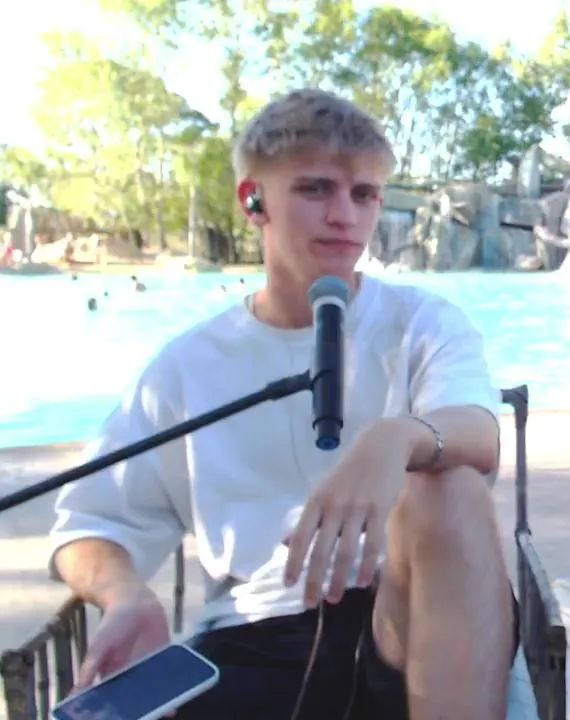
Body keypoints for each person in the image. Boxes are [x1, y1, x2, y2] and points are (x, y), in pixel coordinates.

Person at [48, 89, 516, 720]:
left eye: (364, 195)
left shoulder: (423, 322)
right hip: (252, 635)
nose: (344, 216)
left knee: (449, 486)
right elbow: (90, 521)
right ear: (253, 200)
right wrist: (124, 592)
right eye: (316, 189)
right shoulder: (188, 365)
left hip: (405, 617)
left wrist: (393, 439)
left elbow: (479, 431)